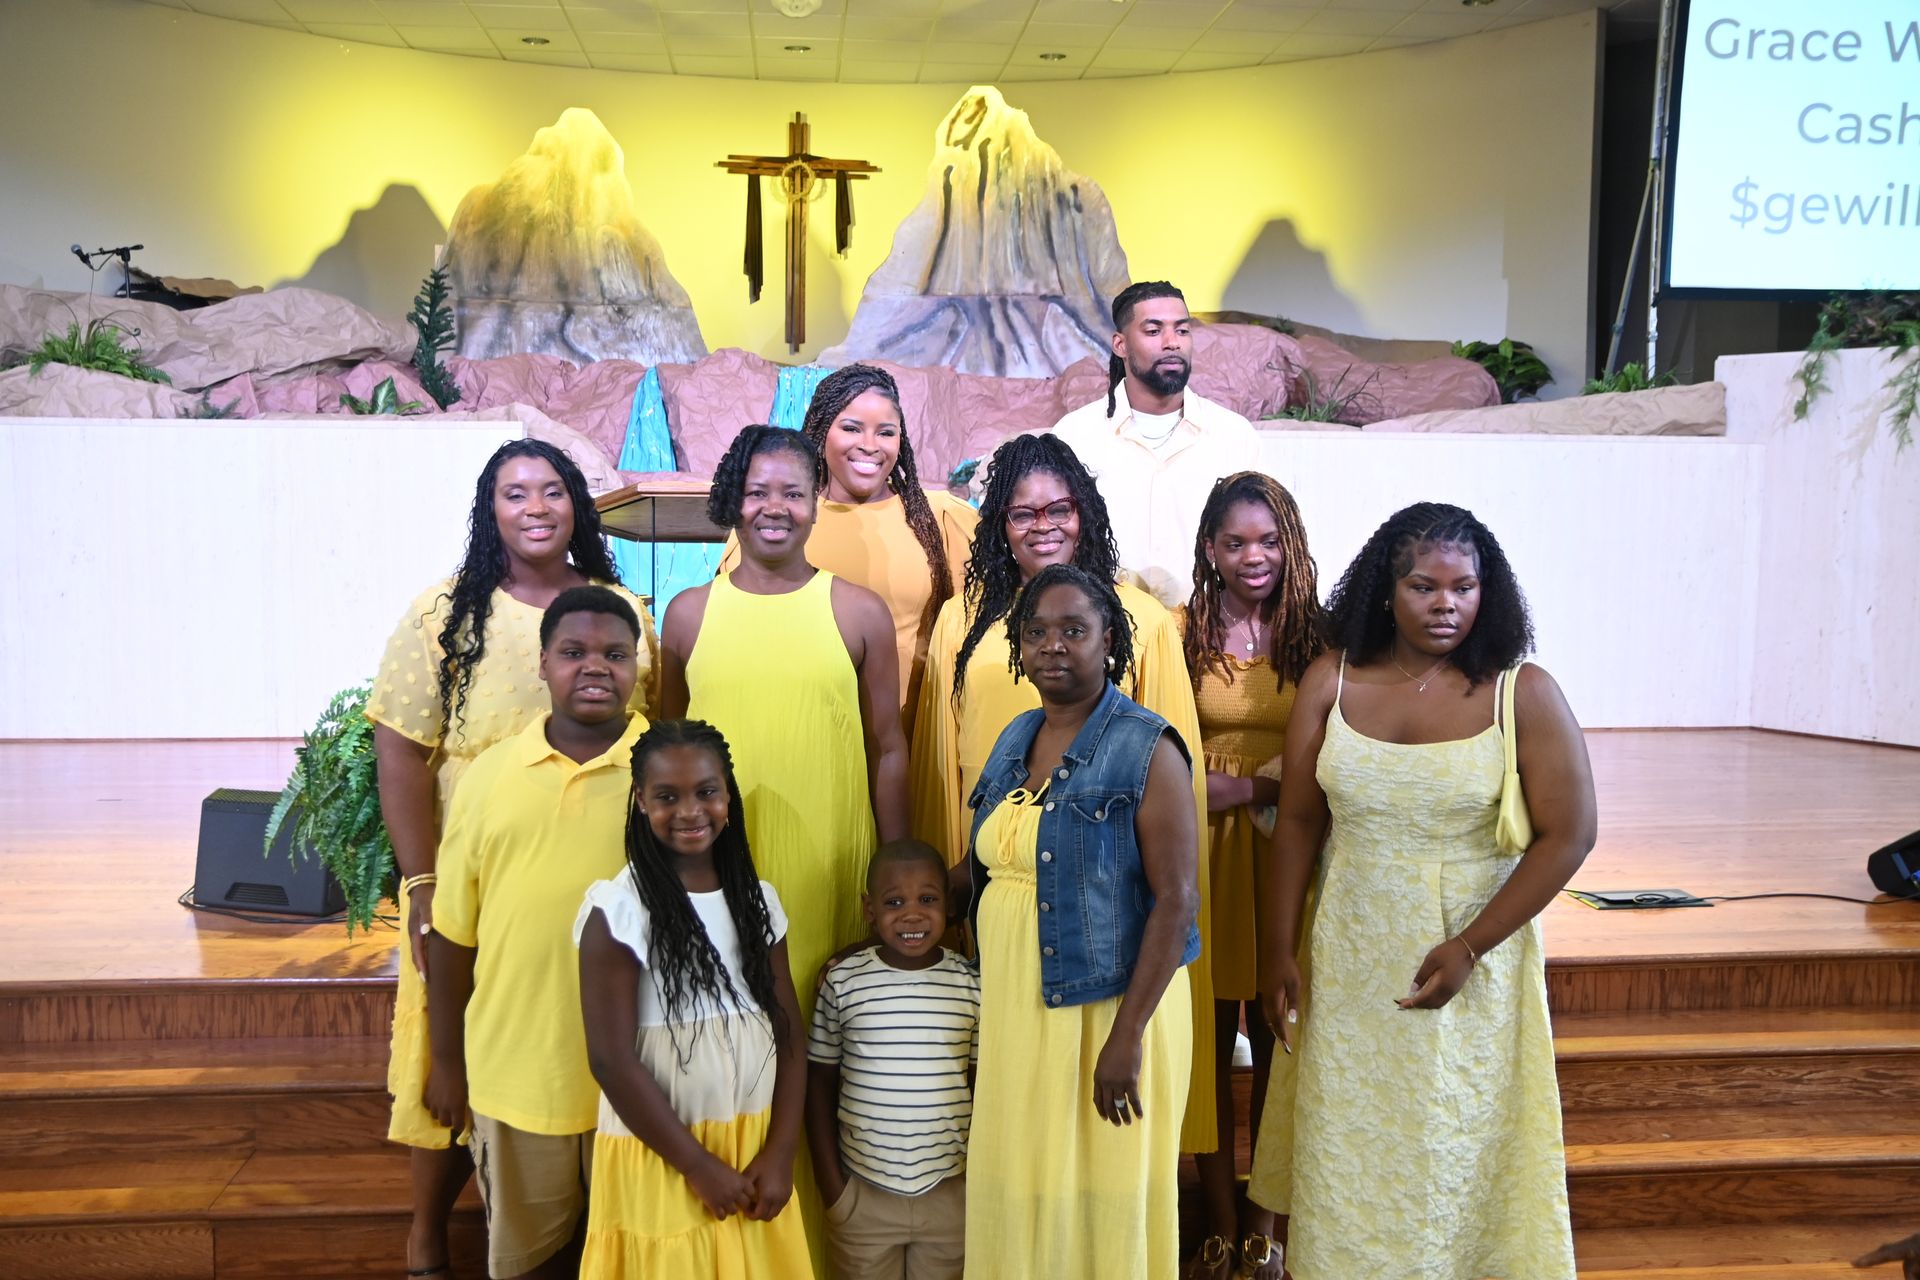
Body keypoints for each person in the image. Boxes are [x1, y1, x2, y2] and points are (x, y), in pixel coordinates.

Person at [1252, 503, 1596, 1280]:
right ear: (1386, 590)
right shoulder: (1331, 679)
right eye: (1423, 587)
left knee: (1450, 1130)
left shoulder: (1522, 692)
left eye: (1463, 587)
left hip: (1470, 950)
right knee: (1352, 1126)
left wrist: (1471, 944)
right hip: (1351, 941)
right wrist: (1278, 949)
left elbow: (1570, 835)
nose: (1446, 604)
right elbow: (1298, 821)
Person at [365, 439, 656, 1279]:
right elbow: (400, 753)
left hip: (598, 845)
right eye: (515, 492)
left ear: (577, 506)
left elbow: (653, 732)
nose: (536, 507)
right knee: (450, 1040)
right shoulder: (444, 612)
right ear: (488, 510)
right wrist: (423, 880)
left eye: (552, 491)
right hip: (480, 854)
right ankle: (427, 1233)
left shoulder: (617, 609)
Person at [908, 430, 1218, 1155]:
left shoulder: (1141, 619)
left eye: (1059, 509)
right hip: (999, 877)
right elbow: (942, 758)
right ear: (998, 524)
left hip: (1106, 902)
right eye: (1022, 512)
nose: (1042, 526)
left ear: (1086, 513)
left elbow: (1174, 773)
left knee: (1098, 1124)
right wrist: (940, 889)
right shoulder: (963, 619)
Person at [659, 424, 910, 1272]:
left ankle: (831, 1249)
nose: (776, 507)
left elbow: (888, 748)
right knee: (736, 1051)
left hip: (828, 866)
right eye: (758, 490)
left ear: (815, 503)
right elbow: (666, 751)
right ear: (733, 499)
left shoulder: (857, 612)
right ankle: (744, 1246)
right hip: (718, 875)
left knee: (824, 1054)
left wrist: (893, 867)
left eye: (793, 492)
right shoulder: (689, 615)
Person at [959, 564, 1199, 1279]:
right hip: (1020, 1006)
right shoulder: (1017, 736)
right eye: (1036, 632)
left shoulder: (1146, 747)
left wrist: (1127, 1037)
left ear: (1109, 641)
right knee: (1027, 1177)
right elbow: (999, 856)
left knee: (1101, 1188)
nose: (1052, 646)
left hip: (1109, 1007)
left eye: (1073, 630)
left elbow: (1178, 899)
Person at [422, 586, 653, 1280]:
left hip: (644, 1082)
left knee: (631, 1258)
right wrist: (447, 1061)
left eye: (615, 654)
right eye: (574, 652)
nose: (595, 666)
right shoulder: (490, 777)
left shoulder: (667, 772)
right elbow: (452, 936)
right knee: (531, 1262)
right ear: (543, 664)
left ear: (637, 666)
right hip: (518, 1076)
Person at [574, 718, 811, 1279]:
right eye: (667, 797)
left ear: (728, 795)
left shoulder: (758, 902)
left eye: (706, 792)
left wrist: (781, 1152)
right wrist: (698, 1165)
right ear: (640, 801)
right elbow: (610, 1060)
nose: (690, 811)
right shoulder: (619, 910)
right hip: (664, 1151)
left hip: (753, 1146)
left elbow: (790, 1036)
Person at [1175, 472, 1324, 1280]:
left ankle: (1266, 1219)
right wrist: (1212, 789)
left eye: (1267, 540)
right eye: (1234, 542)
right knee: (1204, 1041)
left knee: (1276, 1036)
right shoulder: (1180, 630)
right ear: (1210, 549)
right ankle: (1219, 1220)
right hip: (1199, 852)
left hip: (1283, 850)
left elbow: (1334, 751)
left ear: (1290, 543)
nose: (1252, 556)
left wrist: (1255, 791)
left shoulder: (1319, 638)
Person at [718, 364, 978, 732]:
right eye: (852, 428)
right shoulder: (779, 522)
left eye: (885, 432)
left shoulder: (941, 518)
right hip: (798, 730)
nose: (869, 445)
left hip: (913, 738)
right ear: (822, 432)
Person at [805, 839, 980, 1280]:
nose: (912, 915)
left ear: (948, 903)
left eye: (927, 899)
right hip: (862, 1195)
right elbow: (819, 1083)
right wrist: (833, 1188)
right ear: (869, 909)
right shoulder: (843, 981)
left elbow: (982, 1086)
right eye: (894, 902)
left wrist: (975, 1181)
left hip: (950, 1193)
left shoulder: (971, 984)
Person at [1050, 281, 1260, 608]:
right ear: (1120, 344)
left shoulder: (1233, 435)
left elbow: (1259, 540)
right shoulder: (1075, 436)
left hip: (1209, 626)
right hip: (1106, 625)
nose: (1172, 342)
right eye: (1153, 331)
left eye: (1182, 330)